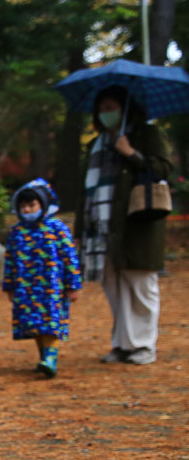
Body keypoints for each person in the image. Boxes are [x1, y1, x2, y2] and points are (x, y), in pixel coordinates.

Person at [72, 86, 169, 366]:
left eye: (111, 107)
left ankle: (143, 345)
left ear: (125, 108)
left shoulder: (146, 135)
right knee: (113, 285)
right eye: (102, 109)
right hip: (100, 228)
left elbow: (163, 169)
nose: (106, 114)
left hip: (137, 222)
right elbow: (84, 192)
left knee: (140, 283)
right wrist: (80, 231)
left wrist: (131, 153)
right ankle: (122, 344)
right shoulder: (96, 144)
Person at [1, 179, 82, 377]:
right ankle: (45, 357)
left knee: (51, 323)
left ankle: (50, 358)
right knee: (34, 325)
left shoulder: (56, 228)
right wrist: (9, 286)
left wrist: (73, 284)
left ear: (43, 205)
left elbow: (69, 257)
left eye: (31, 205)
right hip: (26, 289)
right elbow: (10, 260)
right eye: (23, 207)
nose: (27, 210)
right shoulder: (17, 232)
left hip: (52, 288)